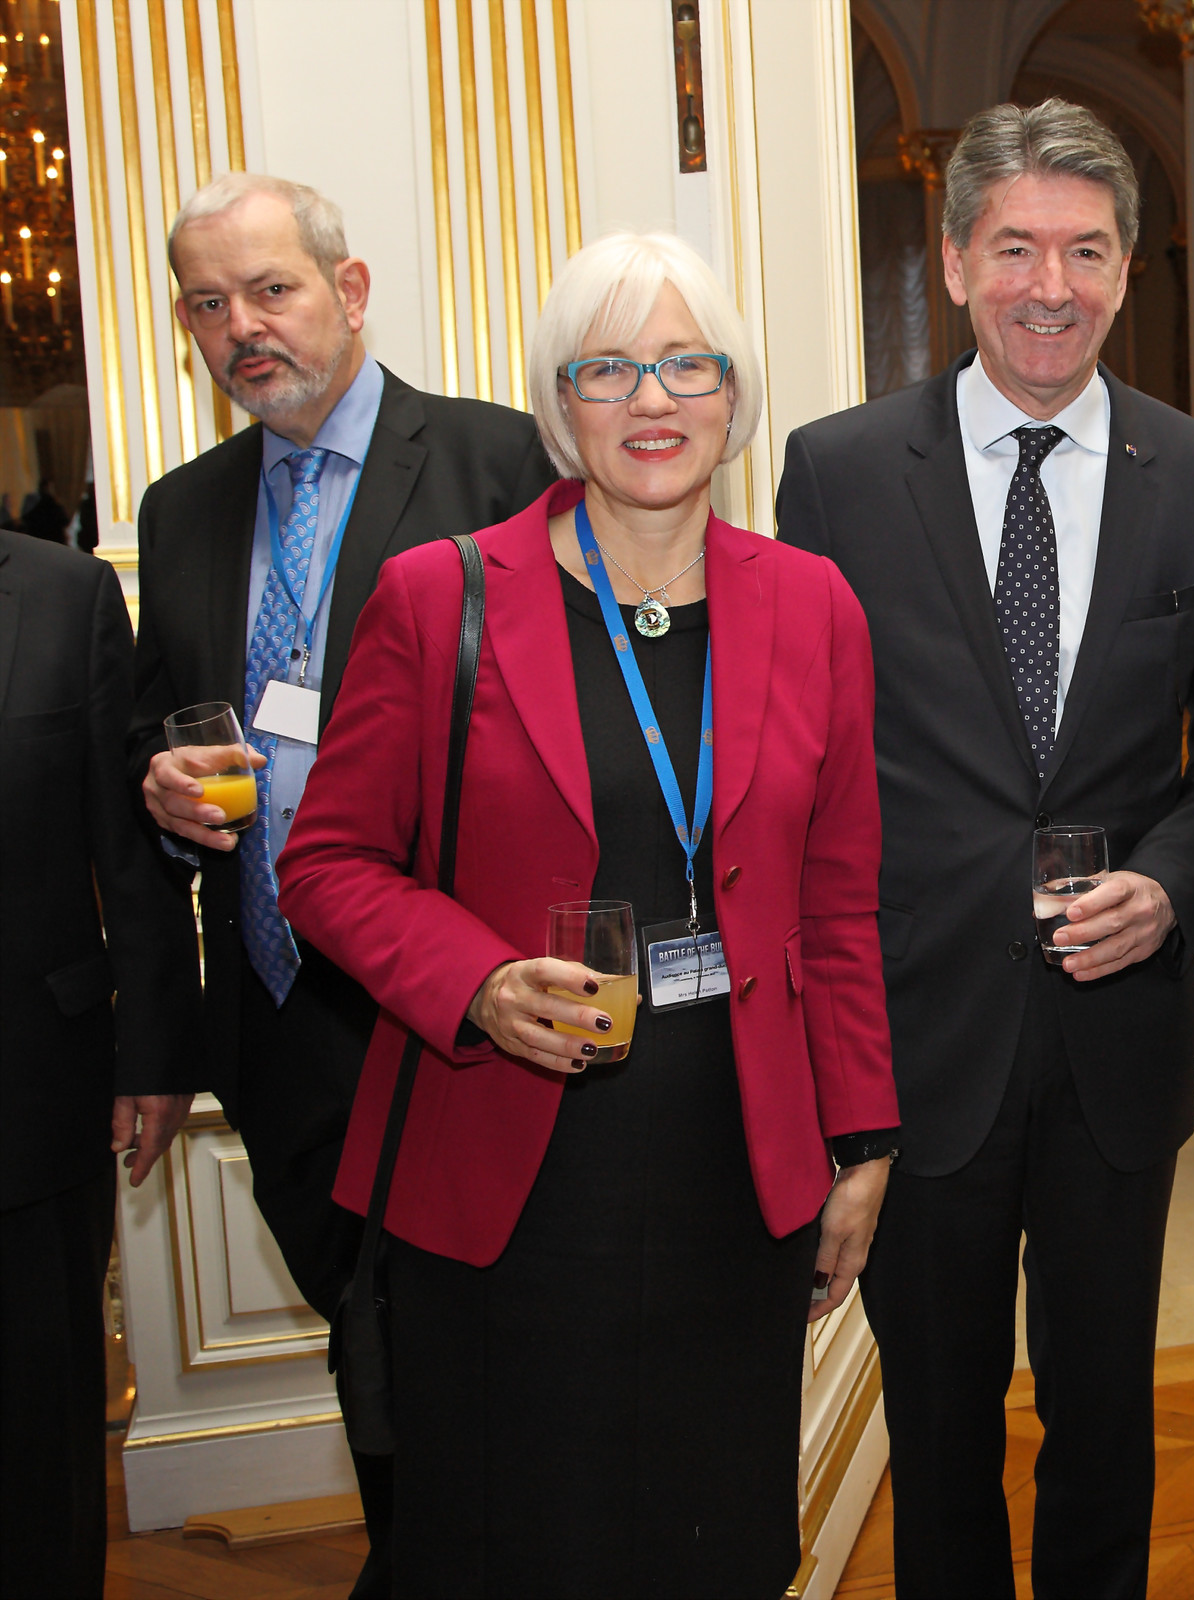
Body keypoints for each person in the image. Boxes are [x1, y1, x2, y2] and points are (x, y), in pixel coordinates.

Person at [277, 230, 898, 1597]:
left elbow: (838, 904)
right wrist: (478, 982)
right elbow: (323, 864)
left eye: (688, 363)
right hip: (508, 1173)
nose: (654, 401)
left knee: (711, 1538)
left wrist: (861, 1138)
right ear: (561, 406)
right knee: (512, 1544)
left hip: (734, 1176)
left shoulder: (812, 606)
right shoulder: (443, 596)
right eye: (609, 369)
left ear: (736, 396)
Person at [776, 99, 1194, 1598]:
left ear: (1126, 272)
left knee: (1106, 1410)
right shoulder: (839, 475)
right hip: (921, 1035)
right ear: (958, 261)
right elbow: (809, 772)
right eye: (1020, 249)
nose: (1055, 285)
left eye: (1089, 252)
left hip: (1116, 1044)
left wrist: (1168, 891)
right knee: (941, 1418)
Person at [126, 171, 553, 1595]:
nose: (242, 327)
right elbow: (156, 717)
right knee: (358, 1324)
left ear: (349, 289)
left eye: (272, 290)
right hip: (277, 1009)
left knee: (484, 1331)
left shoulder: (503, 461)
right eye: (207, 302)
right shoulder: (182, 508)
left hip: (457, 1001)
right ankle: (420, 1555)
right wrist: (160, 777)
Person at [0, 532, 200, 1598]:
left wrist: (155, 1051)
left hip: (29, 1100)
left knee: (38, 1449)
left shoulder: (62, 592)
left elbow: (127, 849)